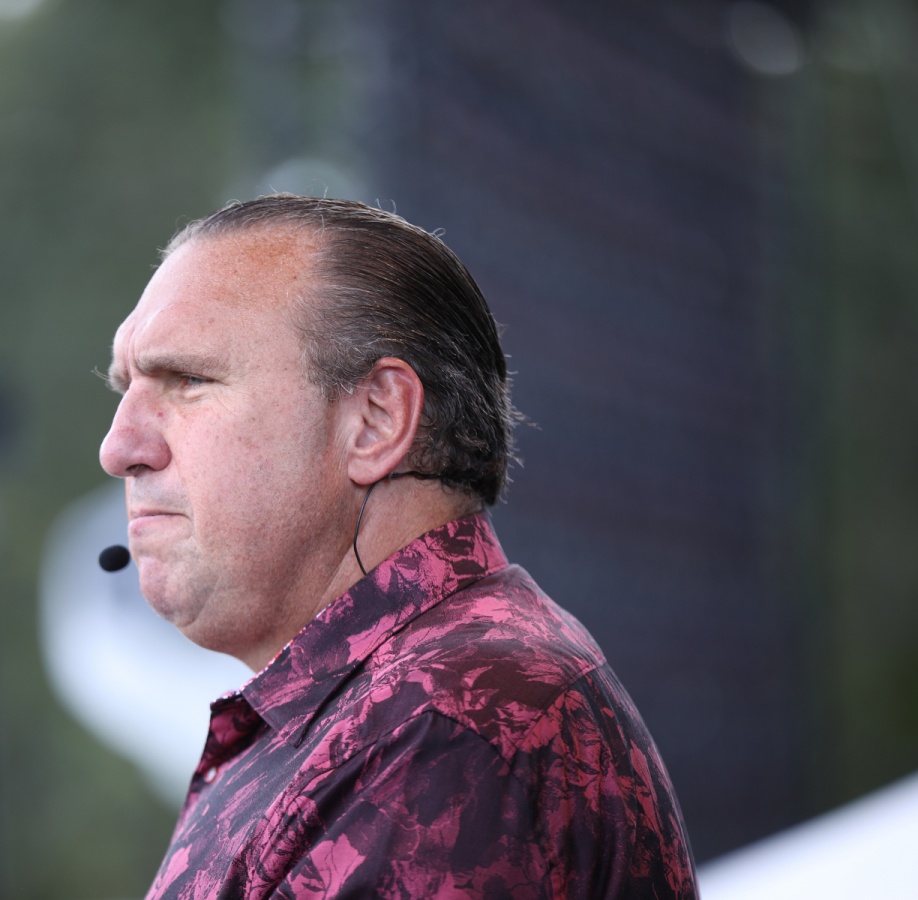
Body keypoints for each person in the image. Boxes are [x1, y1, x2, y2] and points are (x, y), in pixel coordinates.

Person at [99, 195, 697, 898]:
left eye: (189, 381)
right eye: (125, 389)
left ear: (377, 420)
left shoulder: (450, 726)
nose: (118, 448)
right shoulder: (398, 713)